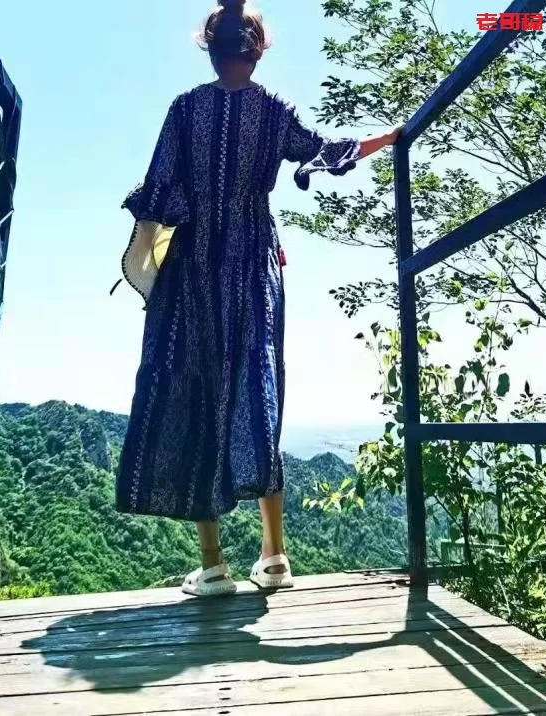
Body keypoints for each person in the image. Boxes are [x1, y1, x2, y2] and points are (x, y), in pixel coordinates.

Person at [115, 0, 401, 597]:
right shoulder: (274, 112)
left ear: (209, 48)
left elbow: (160, 190)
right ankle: (274, 558)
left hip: (195, 267)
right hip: (253, 264)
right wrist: (389, 137)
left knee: (198, 388)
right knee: (258, 386)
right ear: (258, 50)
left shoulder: (184, 109)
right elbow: (326, 150)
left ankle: (213, 566)